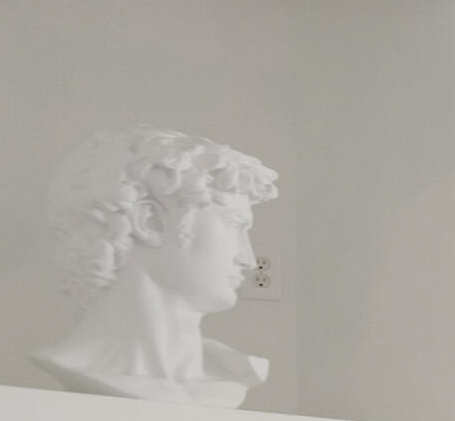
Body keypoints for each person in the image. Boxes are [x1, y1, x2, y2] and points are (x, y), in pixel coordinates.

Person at [35, 127, 280, 406]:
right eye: (234, 226)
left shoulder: (234, 373)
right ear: (150, 221)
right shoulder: (70, 366)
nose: (247, 258)